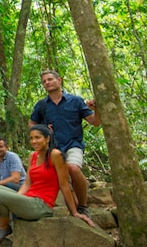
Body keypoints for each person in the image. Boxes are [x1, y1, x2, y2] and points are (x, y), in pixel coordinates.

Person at [0, 124, 95, 247]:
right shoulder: (33, 155)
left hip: (42, 205)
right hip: (29, 199)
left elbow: (64, 185)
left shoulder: (56, 155)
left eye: (37, 137)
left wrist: (74, 212)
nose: (33, 141)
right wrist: (15, 199)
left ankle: (3, 226)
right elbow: (27, 183)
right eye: (31, 138)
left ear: (47, 138)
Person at [28, 69, 101, 217]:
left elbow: (95, 122)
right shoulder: (42, 105)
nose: (47, 83)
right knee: (62, 179)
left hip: (73, 144)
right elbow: (32, 124)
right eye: (44, 81)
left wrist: (97, 109)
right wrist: (42, 130)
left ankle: (83, 205)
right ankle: (75, 211)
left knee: (73, 168)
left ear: (59, 80)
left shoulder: (76, 101)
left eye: (49, 79)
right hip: (53, 148)